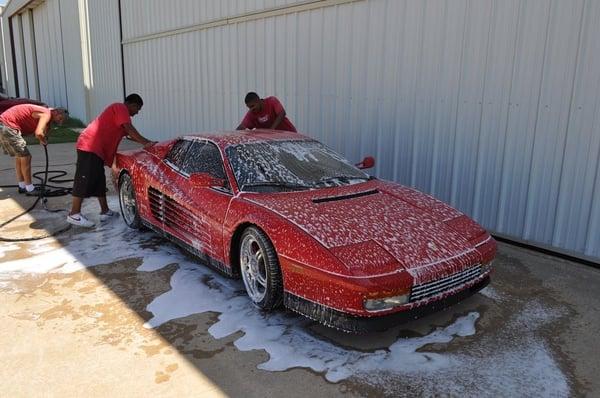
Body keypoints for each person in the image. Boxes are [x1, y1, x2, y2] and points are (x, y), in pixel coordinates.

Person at [67, 94, 154, 228]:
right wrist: (146, 143)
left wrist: (149, 143)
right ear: (131, 104)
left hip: (97, 151)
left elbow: (129, 135)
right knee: (84, 179)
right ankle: (74, 214)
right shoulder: (120, 108)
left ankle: (105, 211)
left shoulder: (121, 117)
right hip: (89, 146)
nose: (137, 113)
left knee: (99, 181)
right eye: (137, 109)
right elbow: (129, 130)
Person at [0, 104, 67, 195]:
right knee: (26, 157)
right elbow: (38, 133)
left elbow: (43, 130)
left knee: (20, 157)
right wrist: (43, 140)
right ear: (55, 112)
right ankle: (30, 189)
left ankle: (22, 186)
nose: (60, 122)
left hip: (4, 125)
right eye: (60, 118)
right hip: (8, 126)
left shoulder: (45, 113)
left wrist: (44, 136)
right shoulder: (46, 113)